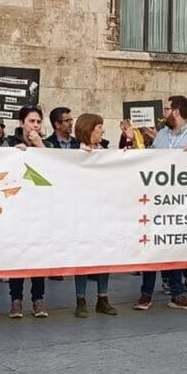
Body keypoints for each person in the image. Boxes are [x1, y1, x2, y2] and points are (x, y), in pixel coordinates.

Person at [135, 96, 187, 312]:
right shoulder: (161, 136)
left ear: (176, 111)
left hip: (180, 202)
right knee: (151, 247)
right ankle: (145, 293)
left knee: (175, 247)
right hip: (158, 200)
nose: (163, 113)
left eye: (166, 109)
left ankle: (177, 293)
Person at [72, 114, 117, 317]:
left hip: (104, 211)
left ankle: (103, 297)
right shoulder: (73, 153)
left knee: (104, 253)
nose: (102, 131)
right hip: (82, 212)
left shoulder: (105, 153)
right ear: (88, 129)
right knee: (82, 256)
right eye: (99, 127)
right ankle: (80, 299)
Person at [7, 104, 48, 317]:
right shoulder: (9, 143)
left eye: (38, 122)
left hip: (39, 209)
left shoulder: (46, 145)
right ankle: (16, 300)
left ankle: (38, 300)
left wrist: (39, 145)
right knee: (18, 255)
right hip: (16, 208)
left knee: (37, 255)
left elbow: (55, 167)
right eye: (31, 121)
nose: (35, 125)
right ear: (22, 123)